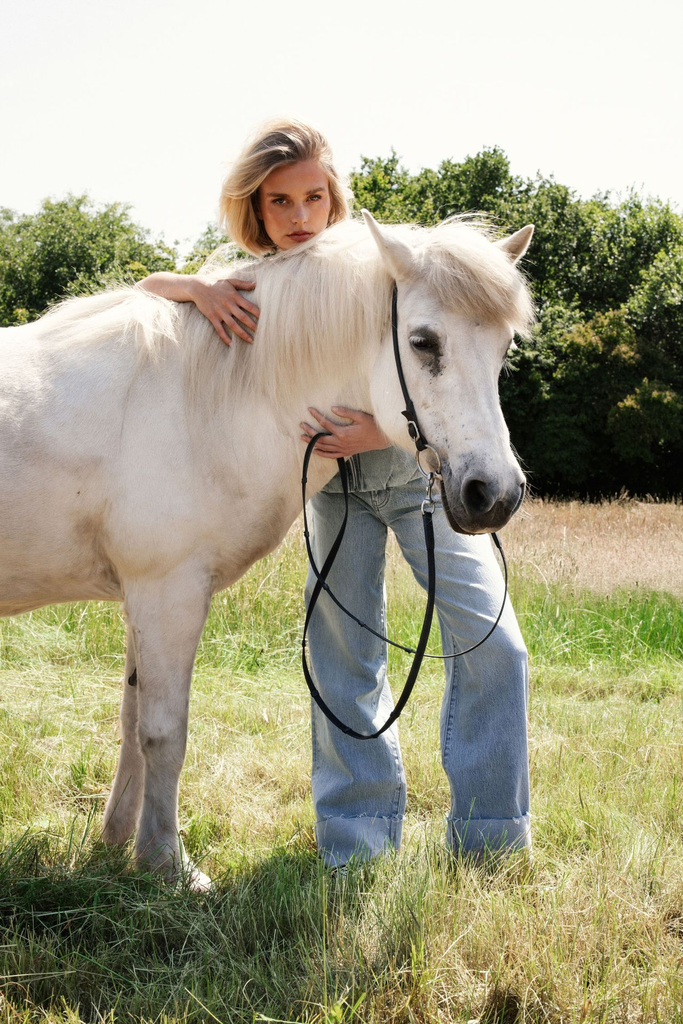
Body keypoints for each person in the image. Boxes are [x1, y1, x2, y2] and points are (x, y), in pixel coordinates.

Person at [141, 119, 531, 868]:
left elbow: (436, 366)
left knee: (493, 641)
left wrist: (374, 435)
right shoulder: (259, 282)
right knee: (344, 662)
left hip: (419, 481)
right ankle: (357, 844)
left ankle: (490, 841)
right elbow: (147, 296)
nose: (297, 216)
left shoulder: (383, 268)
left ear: (334, 197)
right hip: (328, 493)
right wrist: (194, 285)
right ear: (254, 209)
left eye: (312, 197)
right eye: (278, 201)